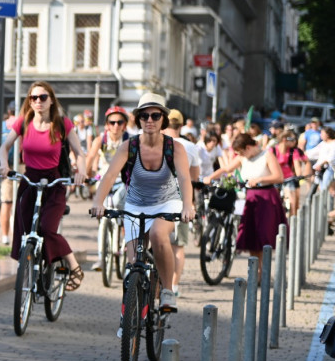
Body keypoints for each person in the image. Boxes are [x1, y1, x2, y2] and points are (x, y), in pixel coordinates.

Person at [91, 93, 195, 312]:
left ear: (163, 120)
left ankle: (167, 291)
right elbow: (110, 176)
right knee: (133, 265)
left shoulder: (174, 148)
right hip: (136, 204)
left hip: (167, 203)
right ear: (138, 119)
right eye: (144, 115)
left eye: (155, 115)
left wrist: (188, 205)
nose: (150, 120)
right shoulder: (129, 147)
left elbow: (185, 178)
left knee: (158, 234)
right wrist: (99, 202)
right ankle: (129, 317)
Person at [0, 81, 88, 291]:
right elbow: (4, 147)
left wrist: (80, 172)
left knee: (47, 228)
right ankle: (31, 264)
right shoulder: (23, 122)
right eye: (33, 98)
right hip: (29, 180)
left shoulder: (62, 124)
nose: (38, 101)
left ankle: (74, 267)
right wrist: (4, 165)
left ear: (51, 100)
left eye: (43, 97)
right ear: (29, 101)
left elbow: (79, 153)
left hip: (54, 182)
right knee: (25, 231)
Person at [206, 133, 286, 265]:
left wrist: (260, 179)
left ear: (248, 147)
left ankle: (262, 272)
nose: (240, 155)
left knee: (263, 236)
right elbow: (226, 169)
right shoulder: (242, 157)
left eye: (241, 152)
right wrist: (210, 177)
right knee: (251, 237)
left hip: (266, 197)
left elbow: (279, 177)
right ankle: (256, 271)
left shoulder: (267, 155)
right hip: (250, 197)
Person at [86, 105, 130, 271]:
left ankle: (126, 244)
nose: (116, 126)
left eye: (120, 122)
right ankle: (101, 256)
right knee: (101, 215)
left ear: (125, 125)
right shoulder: (101, 140)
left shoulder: (128, 140)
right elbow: (90, 157)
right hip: (104, 180)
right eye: (112, 122)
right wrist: (85, 175)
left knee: (125, 209)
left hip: (123, 181)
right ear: (107, 125)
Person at [163, 109, 201, 298]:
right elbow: (194, 177)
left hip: (156, 199)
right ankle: (174, 285)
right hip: (181, 201)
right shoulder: (190, 146)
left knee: (154, 243)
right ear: (181, 124)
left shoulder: (156, 142)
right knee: (178, 246)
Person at [273, 128, 310, 216]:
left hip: (289, 178)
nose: (295, 142)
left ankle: (293, 218)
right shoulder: (273, 150)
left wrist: (299, 175)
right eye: (292, 140)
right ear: (284, 140)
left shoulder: (294, 151)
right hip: (275, 178)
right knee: (273, 199)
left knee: (293, 201)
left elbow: (297, 164)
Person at [0, 107, 16, 245]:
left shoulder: (3, 124)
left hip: (6, 167)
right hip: (22, 165)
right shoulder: (23, 123)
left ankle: (5, 236)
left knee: (6, 202)